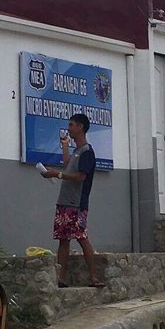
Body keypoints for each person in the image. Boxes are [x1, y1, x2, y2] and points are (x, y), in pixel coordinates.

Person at [40, 113, 105, 288]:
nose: (69, 128)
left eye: (71, 125)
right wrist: (65, 147)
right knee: (63, 240)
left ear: (80, 127)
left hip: (77, 204)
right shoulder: (76, 151)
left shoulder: (87, 152)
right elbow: (68, 165)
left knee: (82, 238)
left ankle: (94, 277)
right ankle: (60, 278)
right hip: (64, 202)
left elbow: (80, 176)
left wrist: (57, 174)